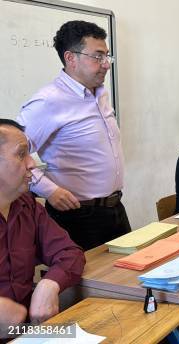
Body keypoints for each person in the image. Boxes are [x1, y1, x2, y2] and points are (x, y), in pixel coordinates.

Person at [17, 20, 130, 251]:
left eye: (107, 57)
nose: (106, 65)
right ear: (70, 58)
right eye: (98, 57)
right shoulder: (48, 101)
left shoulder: (101, 95)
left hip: (115, 208)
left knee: (130, 278)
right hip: (78, 215)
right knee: (89, 285)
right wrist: (49, 190)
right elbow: (9, 154)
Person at [0, 119, 85, 328]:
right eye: (21, 154)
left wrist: (50, 283)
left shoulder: (28, 206)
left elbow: (70, 252)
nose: (32, 164)